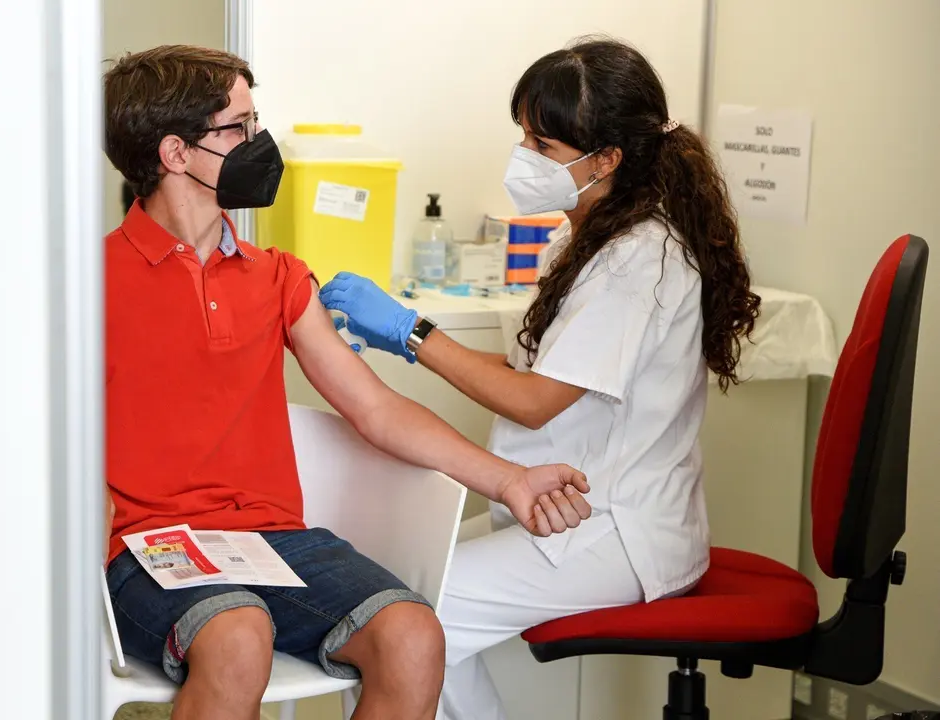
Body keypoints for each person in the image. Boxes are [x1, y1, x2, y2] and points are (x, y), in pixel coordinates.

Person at [102, 45, 592, 720]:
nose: (259, 143)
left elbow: (375, 408)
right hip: (152, 545)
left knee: (413, 635)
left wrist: (507, 479)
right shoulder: (89, 283)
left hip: (273, 541)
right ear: (176, 153)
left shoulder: (276, 277)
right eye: (239, 128)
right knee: (239, 635)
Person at [320, 36, 762, 719]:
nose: (523, 157)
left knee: (394, 623)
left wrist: (411, 332)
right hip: (562, 511)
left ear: (608, 158)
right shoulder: (579, 235)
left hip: (613, 531)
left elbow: (535, 403)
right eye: (523, 136)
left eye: (543, 145)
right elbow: (534, 371)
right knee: (388, 594)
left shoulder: (639, 257)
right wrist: (397, 341)